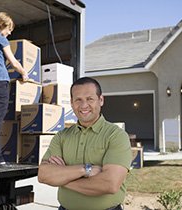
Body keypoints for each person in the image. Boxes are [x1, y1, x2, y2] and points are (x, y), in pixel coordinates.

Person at [38, 77, 132, 210]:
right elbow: (43, 175)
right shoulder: (62, 136)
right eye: (78, 100)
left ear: (101, 100)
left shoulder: (116, 136)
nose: (83, 106)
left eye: (90, 99)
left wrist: (63, 178)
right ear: (71, 103)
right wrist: (85, 170)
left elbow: (110, 184)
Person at [0, 12, 29, 167]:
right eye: (9, 28)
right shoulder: (0, 39)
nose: (10, 32)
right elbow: (13, 62)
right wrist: (24, 73)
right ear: (2, 25)